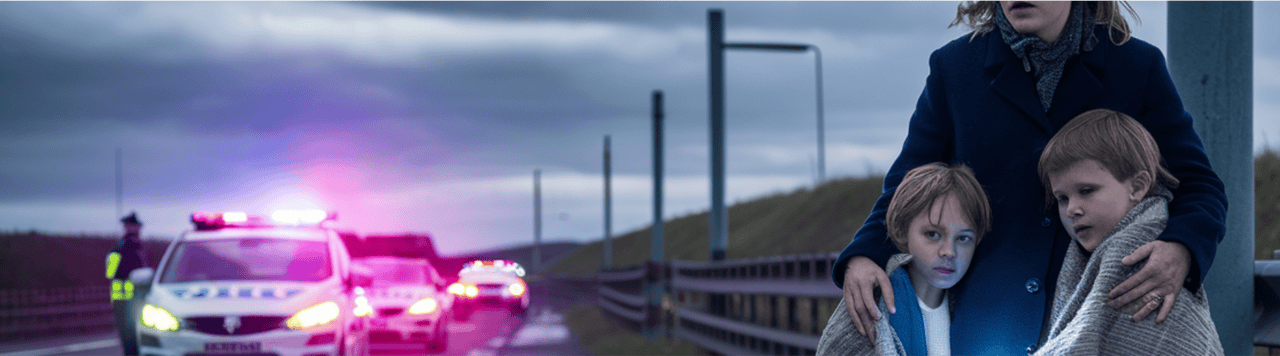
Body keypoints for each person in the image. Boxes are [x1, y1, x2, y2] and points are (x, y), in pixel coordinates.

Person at [832, 1, 1227, 353]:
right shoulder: (954, 68)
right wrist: (865, 255)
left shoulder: (1137, 66)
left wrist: (1183, 248)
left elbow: (1196, 184)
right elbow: (906, 186)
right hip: (986, 330)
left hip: (1097, 322)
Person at [1033, 109, 1222, 354]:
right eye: (1061, 198)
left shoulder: (1133, 254)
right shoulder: (1100, 250)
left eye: (1086, 190)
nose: (1072, 210)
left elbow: (1080, 343)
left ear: (1138, 186)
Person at [817, 162, 991, 356]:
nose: (949, 251)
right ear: (902, 231)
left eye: (963, 238)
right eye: (932, 234)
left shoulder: (982, 318)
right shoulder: (870, 307)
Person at [107, 211, 148, 356]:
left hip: (120, 295)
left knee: (127, 330)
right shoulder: (133, 247)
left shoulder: (118, 247)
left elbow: (109, 272)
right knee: (132, 329)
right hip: (132, 295)